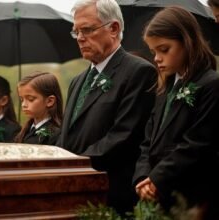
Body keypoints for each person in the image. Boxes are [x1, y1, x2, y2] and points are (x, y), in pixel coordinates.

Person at [57, 0, 157, 214]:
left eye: (87, 29)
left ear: (114, 28)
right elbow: (68, 135)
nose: (80, 38)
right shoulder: (77, 81)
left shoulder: (139, 72)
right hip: (71, 192)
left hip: (111, 195)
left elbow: (124, 136)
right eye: (76, 32)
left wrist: (75, 166)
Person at [133, 6, 219, 218]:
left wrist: (157, 179)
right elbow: (148, 140)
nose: (156, 58)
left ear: (187, 42)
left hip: (190, 199)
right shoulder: (164, 89)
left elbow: (196, 144)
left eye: (164, 49)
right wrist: (143, 177)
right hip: (158, 195)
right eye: (153, 52)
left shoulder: (210, 84)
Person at [15, 72, 63, 145]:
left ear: (50, 101)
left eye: (31, 99)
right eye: (21, 99)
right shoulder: (25, 131)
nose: (23, 105)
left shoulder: (57, 135)